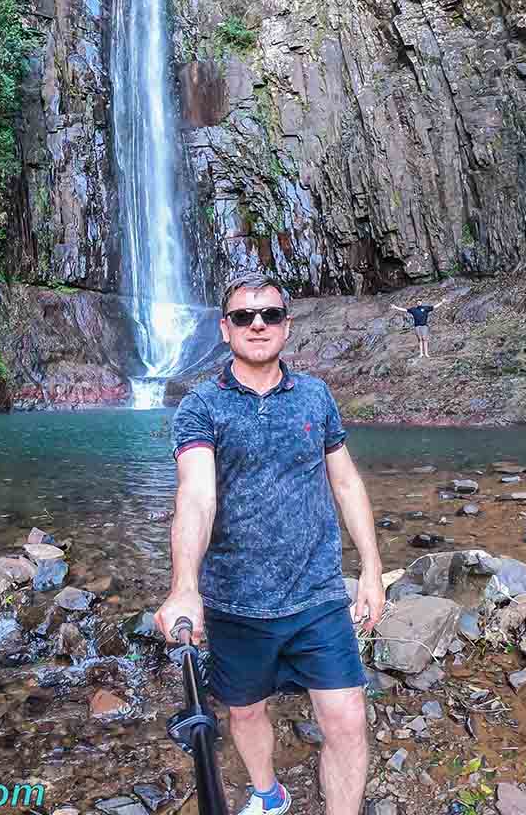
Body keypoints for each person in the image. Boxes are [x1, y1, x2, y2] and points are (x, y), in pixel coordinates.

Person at [156, 271, 385, 815]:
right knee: (246, 713)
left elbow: (347, 482)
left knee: (348, 718)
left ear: (286, 326)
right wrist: (184, 587)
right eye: (243, 316)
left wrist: (372, 568)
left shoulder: (315, 396)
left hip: (318, 596)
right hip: (235, 601)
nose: (257, 324)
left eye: (270, 315)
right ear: (225, 328)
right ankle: (269, 794)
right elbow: (196, 497)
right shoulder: (201, 407)